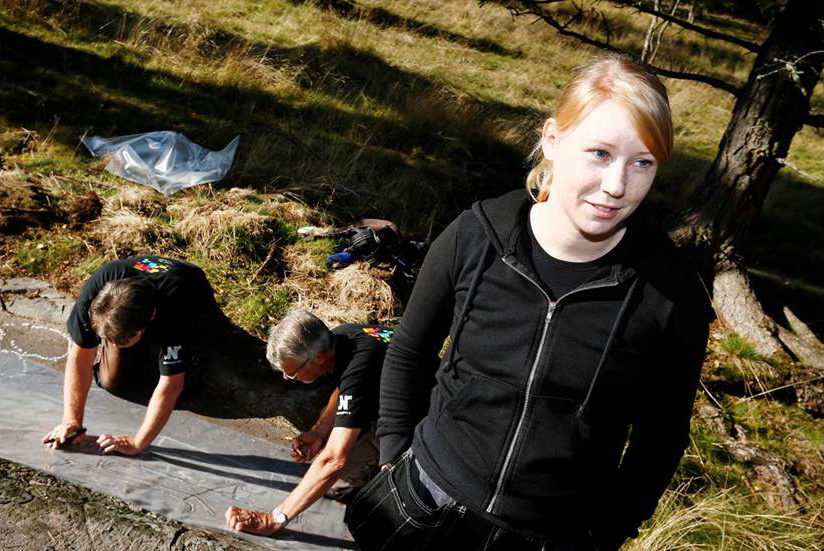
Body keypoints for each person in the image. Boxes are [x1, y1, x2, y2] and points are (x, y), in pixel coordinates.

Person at [345, 54, 710, 551]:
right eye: (600, 153)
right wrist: (394, 461)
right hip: (424, 507)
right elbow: (408, 353)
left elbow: (660, 440)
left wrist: (605, 535)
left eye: (642, 162)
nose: (617, 186)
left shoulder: (672, 296)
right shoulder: (475, 237)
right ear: (553, 141)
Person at [225, 309, 396, 536]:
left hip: (421, 423)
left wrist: (275, 519)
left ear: (318, 359)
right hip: (392, 394)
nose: (287, 378)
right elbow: (347, 388)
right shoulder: (341, 338)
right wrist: (319, 432)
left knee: (337, 485)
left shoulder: (359, 366)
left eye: (292, 373)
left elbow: (334, 461)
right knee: (323, 466)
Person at [43, 255, 225, 456]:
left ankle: (185, 356)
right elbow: (80, 357)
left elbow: (171, 385)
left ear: (149, 320)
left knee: (187, 388)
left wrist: (137, 443)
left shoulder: (178, 305)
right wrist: (72, 421)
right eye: (107, 339)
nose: (111, 344)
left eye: (119, 341)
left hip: (193, 300)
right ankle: (137, 352)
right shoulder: (97, 291)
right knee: (112, 380)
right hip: (138, 304)